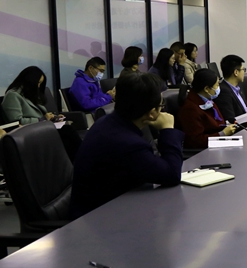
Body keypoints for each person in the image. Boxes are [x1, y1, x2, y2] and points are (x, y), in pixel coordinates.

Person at [70, 72, 183, 219]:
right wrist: (167, 130)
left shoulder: (108, 122)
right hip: (102, 221)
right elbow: (172, 174)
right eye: (161, 105)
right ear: (151, 113)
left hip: (113, 208)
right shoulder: (127, 144)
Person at [177, 69, 238, 149]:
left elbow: (216, 124)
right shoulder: (190, 109)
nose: (218, 88)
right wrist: (222, 134)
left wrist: (227, 126)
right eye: (217, 85)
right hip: (204, 150)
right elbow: (196, 141)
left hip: (217, 144)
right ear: (206, 89)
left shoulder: (207, 100)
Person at [213, 54, 247, 124]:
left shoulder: (237, 88)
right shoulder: (223, 93)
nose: (244, 72)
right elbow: (231, 121)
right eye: (243, 69)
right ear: (236, 72)